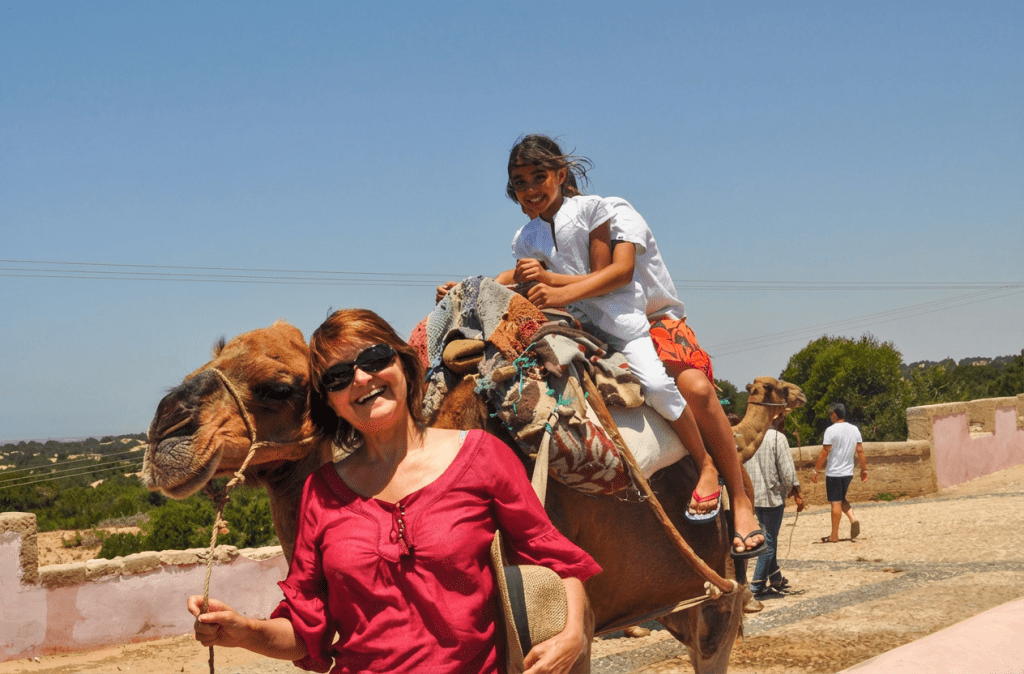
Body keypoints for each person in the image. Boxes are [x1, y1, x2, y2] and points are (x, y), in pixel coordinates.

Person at [188, 308, 601, 674]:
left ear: (403, 363)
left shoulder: (481, 457)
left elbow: (557, 559)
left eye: (374, 358)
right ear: (330, 402)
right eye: (338, 376)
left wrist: (574, 635)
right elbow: (305, 629)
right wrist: (243, 631)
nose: (362, 378)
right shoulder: (322, 492)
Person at [488, 134, 764, 558]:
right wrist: (478, 286)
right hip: (589, 326)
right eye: (519, 182)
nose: (529, 189)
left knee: (694, 389)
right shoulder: (530, 235)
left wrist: (550, 288)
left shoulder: (612, 211)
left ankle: (739, 499)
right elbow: (529, 273)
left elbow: (615, 274)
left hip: (650, 319)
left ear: (561, 174)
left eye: (538, 177)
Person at [743, 414, 804, 597]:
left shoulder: (750, 437)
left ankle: (775, 577)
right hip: (771, 496)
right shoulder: (777, 438)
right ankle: (756, 585)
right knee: (769, 541)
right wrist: (796, 493)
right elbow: (787, 471)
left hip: (754, 496)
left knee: (770, 537)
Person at [812, 403, 867, 543]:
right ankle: (853, 518)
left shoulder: (831, 430)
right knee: (841, 498)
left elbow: (824, 452)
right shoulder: (854, 429)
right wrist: (864, 469)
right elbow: (860, 451)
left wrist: (816, 470)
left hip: (834, 472)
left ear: (835, 414)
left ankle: (834, 536)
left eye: (831, 413)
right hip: (848, 472)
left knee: (835, 502)